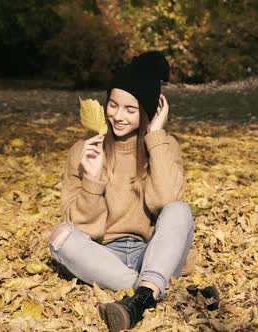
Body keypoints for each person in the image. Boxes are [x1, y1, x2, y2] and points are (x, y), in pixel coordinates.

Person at [48, 51, 197, 331]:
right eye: (113, 105)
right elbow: (81, 226)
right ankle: (150, 291)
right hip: (104, 255)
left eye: (130, 110)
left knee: (180, 209)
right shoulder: (84, 150)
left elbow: (166, 202)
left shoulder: (164, 146)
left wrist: (155, 138)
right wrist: (92, 180)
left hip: (154, 251)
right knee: (60, 237)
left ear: (147, 111)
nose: (117, 116)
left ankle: (143, 292)